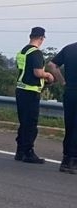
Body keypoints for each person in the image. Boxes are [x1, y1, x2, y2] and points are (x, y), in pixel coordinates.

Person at [15, 27, 56, 164]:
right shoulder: (36, 53)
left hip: (20, 89)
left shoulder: (23, 51)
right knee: (31, 124)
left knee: (23, 122)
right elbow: (37, 72)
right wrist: (48, 76)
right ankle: (28, 152)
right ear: (41, 38)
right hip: (31, 91)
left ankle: (20, 151)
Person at [48, 38, 77, 174]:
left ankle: (66, 159)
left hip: (70, 91)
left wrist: (63, 82)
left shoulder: (69, 48)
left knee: (70, 125)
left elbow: (52, 65)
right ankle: (73, 161)